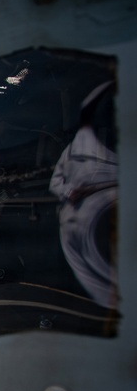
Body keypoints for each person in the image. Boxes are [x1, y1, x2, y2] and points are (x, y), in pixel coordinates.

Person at [49, 81, 117, 308]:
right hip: (75, 227)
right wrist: (70, 191)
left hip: (97, 224)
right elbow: (55, 183)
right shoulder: (73, 149)